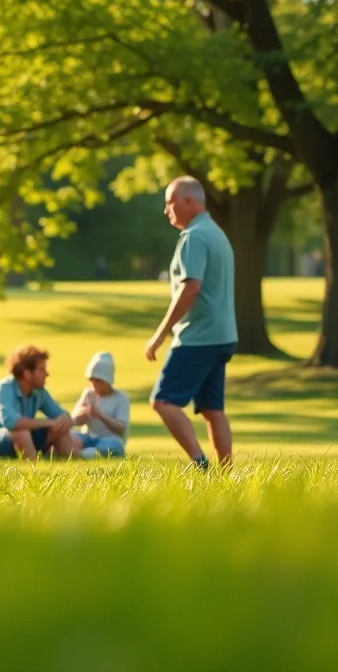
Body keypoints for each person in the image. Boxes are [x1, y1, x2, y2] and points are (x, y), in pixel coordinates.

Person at [145, 176, 237, 470]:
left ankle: (200, 463)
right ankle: (226, 473)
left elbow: (190, 287)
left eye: (169, 202)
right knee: (212, 409)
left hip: (198, 337)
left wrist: (161, 334)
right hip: (222, 336)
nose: (166, 210)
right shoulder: (216, 233)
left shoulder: (194, 237)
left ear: (188, 201)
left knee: (163, 401)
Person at [0, 345, 77, 460]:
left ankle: (73, 463)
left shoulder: (40, 392)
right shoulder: (3, 389)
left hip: (23, 437)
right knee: (20, 431)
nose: (47, 374)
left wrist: (64, 419)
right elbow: (10, 421)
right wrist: (49, 422)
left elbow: (59, 413)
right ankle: (34, 469)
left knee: (59, 429)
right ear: (27, 373)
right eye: (41, 370)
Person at [70, 352, 129, 459]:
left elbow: (122, 428)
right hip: (88, 437)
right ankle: (83, 452)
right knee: (70, 436)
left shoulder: (120, 398)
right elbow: (72, 421)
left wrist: (101, 416)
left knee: (112, 447)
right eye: (92, 380)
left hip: (110, 439)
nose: (94, 384)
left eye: (98, 381)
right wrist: (82, 415)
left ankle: (85, 453)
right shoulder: (88, 394)